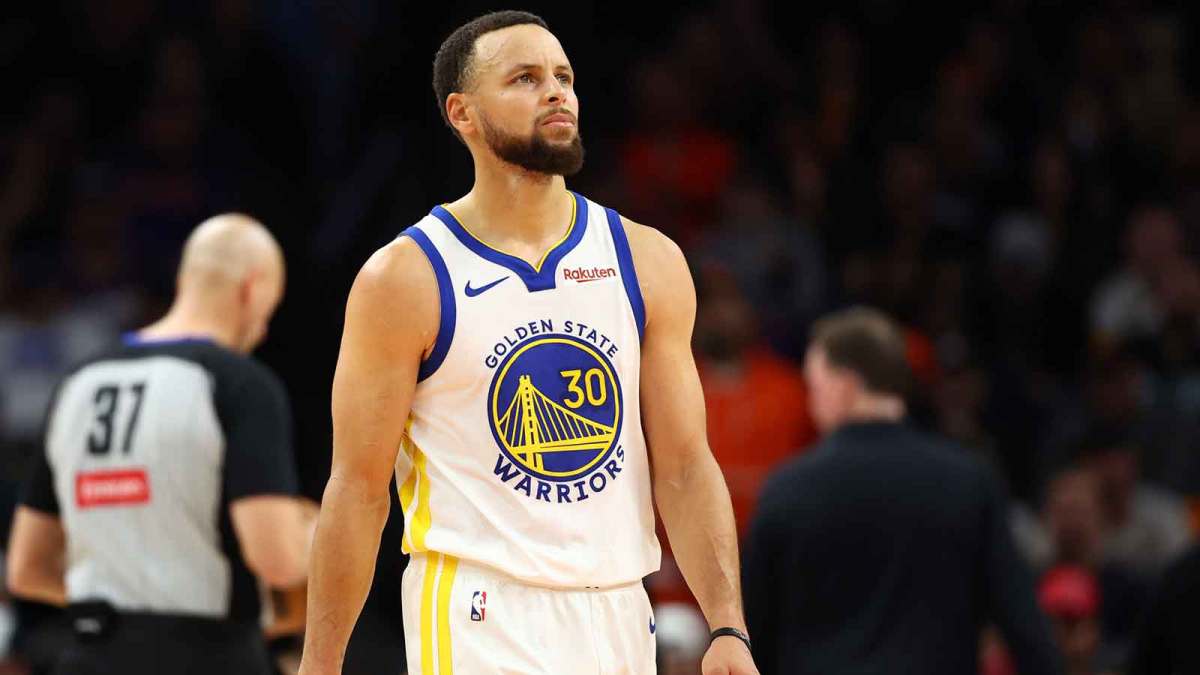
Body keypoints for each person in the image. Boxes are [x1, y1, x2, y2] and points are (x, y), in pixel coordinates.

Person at [299, 11, 755, 675]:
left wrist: (728, 626)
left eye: (564, 77)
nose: (556, 92)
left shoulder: (646, 259)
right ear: (463, 114)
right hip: (479, 609)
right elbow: (358, 489)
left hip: (619, 607)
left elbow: (685, 466)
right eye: (525, 78)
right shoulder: (407, 277)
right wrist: (320, 662)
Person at [5, 214, 316, 674]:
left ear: (184, 279)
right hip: (207, 656)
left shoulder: (79, 381)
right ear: (253, 289)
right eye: (270, 309)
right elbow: (277, 561)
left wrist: (125, 605)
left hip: (89, 655)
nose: (264, 329)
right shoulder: (240, 383)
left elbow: (27, 569)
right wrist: (316, 533)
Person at [743, 306, 1061, 675]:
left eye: (813, 386)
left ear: (845, 384)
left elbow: (755, 634)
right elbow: (1022, 623)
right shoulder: (967, 481)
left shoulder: (787, 489)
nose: (810, 403)